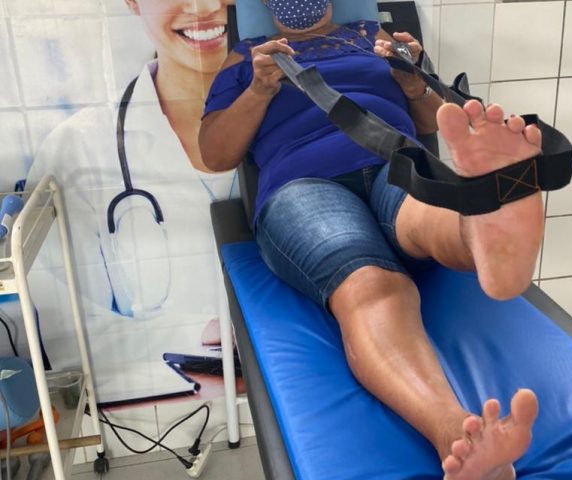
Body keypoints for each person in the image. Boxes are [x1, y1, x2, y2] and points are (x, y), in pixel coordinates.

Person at [199, 1, 542, 478]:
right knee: (372, 284)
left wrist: (414, 83)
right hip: (302, 184)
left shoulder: (375, 35)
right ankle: (456, 432)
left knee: (424, 213)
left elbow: (433, 122)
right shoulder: (246, 58)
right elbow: (215, 154)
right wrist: (259, 89)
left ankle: (481, 231)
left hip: (393, 160)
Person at [26, 0, 236, 395]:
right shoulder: (76, 152)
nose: (207, 6)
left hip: (299, 406)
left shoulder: (310, 127)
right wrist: (201, 341)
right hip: (158, 423)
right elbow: (72, 340)